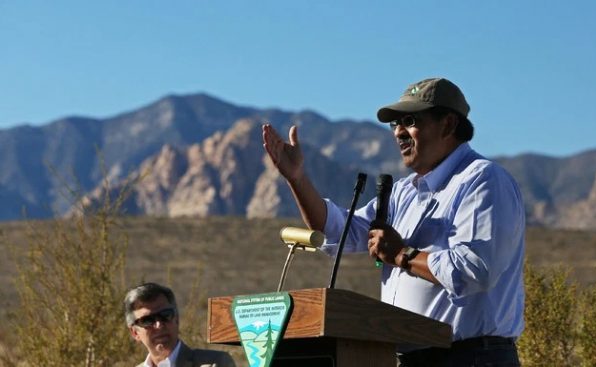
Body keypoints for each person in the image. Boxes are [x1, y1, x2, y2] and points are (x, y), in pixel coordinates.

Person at [262, 77, 525, 366]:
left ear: (448, 124)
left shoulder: (482, 180)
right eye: (394, 124)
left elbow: (475, 270)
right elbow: (338, 233)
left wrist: (402, 254)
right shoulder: (403, 192)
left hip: (471, 357)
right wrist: (297, 179)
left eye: (410, 120)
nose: (398, 132)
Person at [124, 282, 236, 367]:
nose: (158, 325)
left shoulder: (215, 362)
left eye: (165, 315)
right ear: (135, 333)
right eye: (147, 320)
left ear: (176, 318)